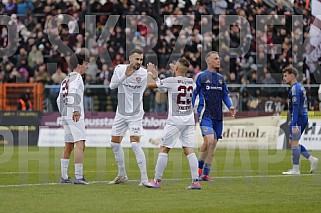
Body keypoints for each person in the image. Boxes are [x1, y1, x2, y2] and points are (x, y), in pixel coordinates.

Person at [143, 58, 201, 190]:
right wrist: (158, 77)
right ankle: (195, 181)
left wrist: (149, 73)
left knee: (164, 148)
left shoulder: (171, 81)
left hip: (175, 120)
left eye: (175, 66)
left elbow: (151, 85)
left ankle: (157, 181)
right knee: (189, 150)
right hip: (189, 119)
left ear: (177, 69)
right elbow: (164, 88)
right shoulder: (191, 82)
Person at [108, 48, 155, 185]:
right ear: (130, 59)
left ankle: (144, 179)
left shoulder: (145, 73)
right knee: (114, 143)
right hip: (121, 113)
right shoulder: (119, 69)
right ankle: (122, 174)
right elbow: (111, 86)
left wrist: (155, 76)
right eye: (137, 59)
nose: (139, 62)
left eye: (141, 60)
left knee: (135, 144)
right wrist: (125, 76)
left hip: (135, 114)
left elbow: (157, 86)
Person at [192, 51, 236, 181]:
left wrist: (231, 106)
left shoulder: (221, 78)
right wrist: (189, 106)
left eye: (219, 58)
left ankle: (205, 173)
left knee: (213, 143)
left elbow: (225, 95)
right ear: (209, 61)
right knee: (210, 141)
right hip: (205, 114)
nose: (219, 60)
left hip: (218, 115)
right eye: (216, 58)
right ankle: (198, 170)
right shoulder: (201, 76)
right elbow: (194, 93)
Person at [57, 52, 89, 184]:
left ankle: (64, 177)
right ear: (80, 65)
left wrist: (63, 114)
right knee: (80, 143)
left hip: (65, 114)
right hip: (74, 114)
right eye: (86, 64)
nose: (87, 67)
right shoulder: (77, 78)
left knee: (68, 145)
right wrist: (76, 110)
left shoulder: (65, 79)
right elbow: (74, 93)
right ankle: (79, 176)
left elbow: (59, 99)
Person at [282, 66, 318, 175]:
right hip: (302, 117)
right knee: (293, 142)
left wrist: (294, 122)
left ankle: (296, 169)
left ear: (292, 75)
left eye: (285, 75)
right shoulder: (299, 87)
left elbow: (296, 107)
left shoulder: (295, 88)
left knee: (294, 143)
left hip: (299, 117)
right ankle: (311, 159)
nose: (284, 78)